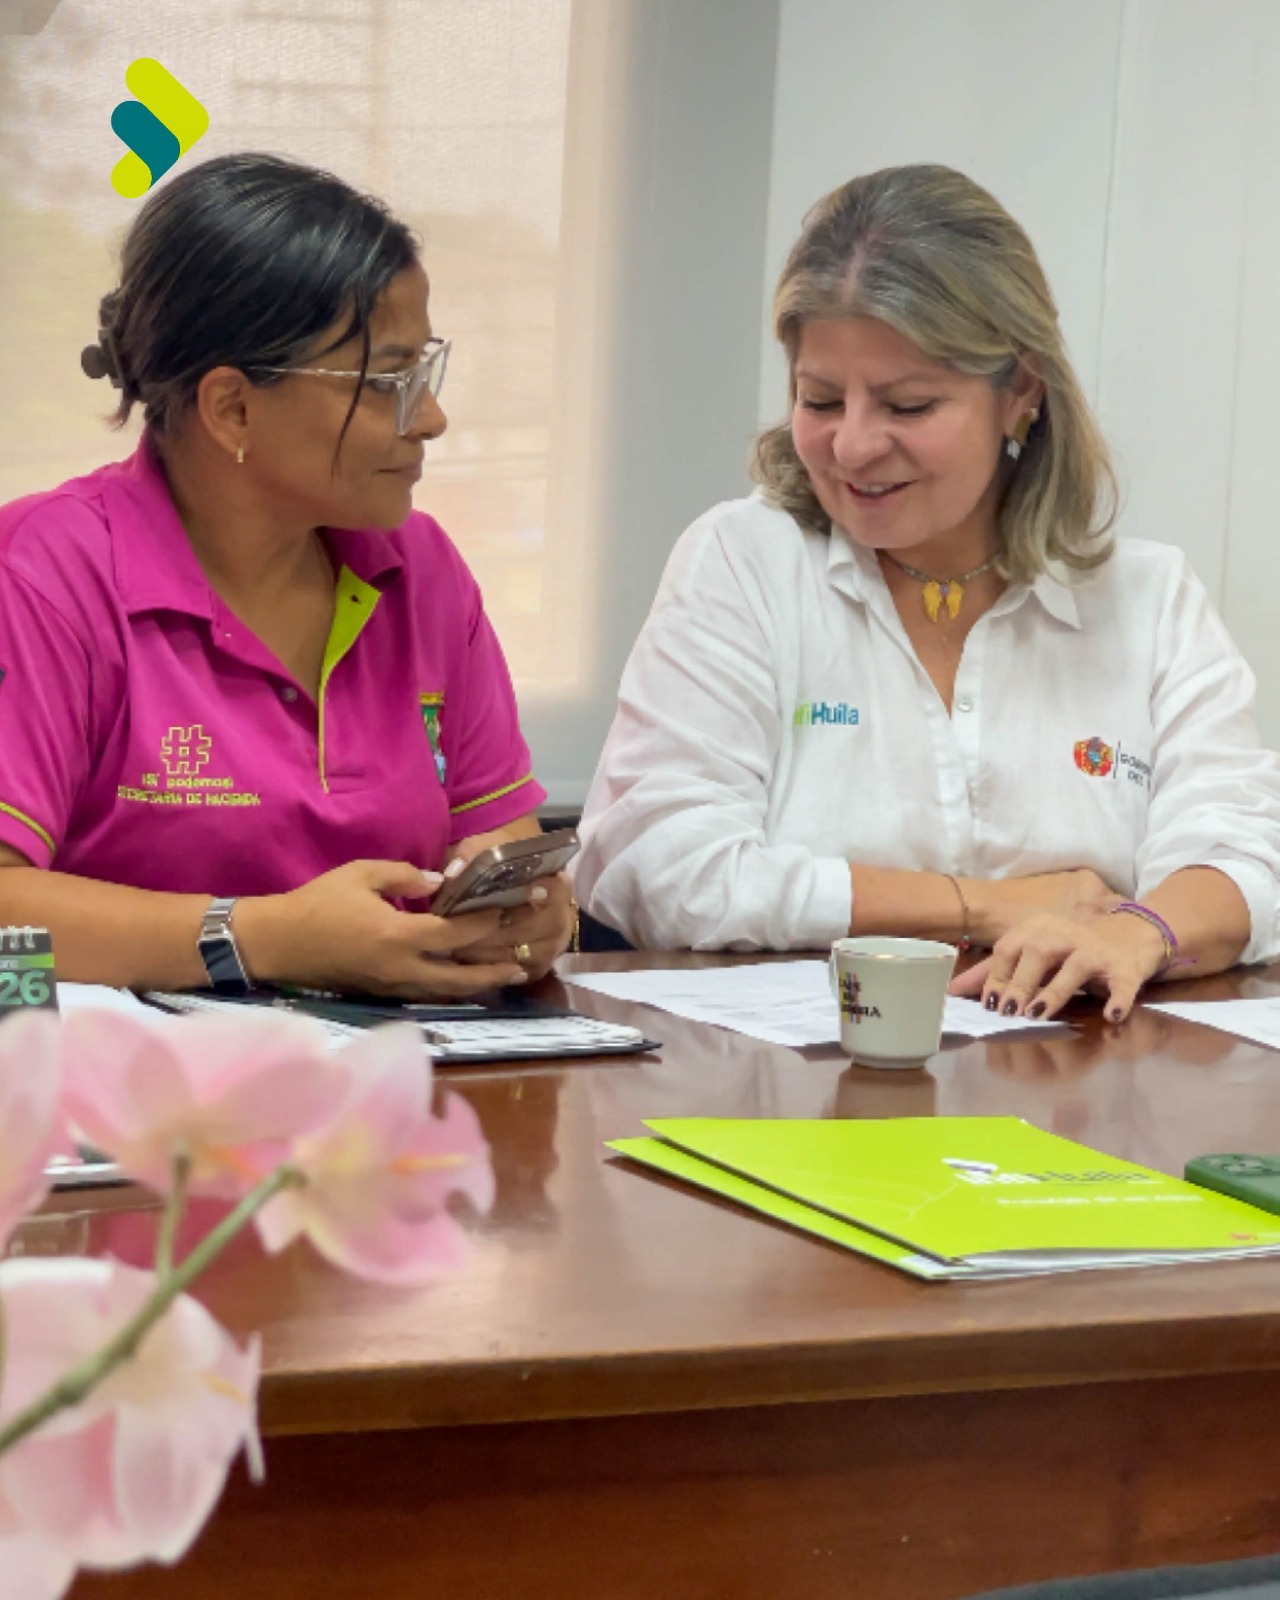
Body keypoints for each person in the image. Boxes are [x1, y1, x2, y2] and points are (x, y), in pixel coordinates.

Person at [574, 163, 1280, 1021]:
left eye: (907, 406)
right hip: (798, 1079)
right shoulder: (745, 561)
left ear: (1021, 393)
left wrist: (1140, 932)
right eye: (820, 399)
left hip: (1069, 1071)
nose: (853, 445)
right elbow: (653, 864)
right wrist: (985, 905)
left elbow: (1246, 858)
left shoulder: (1148, 598)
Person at [0, 153, 574, 997]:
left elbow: (499, 834)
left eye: (426, 372)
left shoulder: (422, 569)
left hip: (399, 1060)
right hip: (129, 1070)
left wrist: (525, 917)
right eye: (387, 382)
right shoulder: (46, 571)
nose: (433, 419)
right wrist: (264, 938)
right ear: (232, 408)